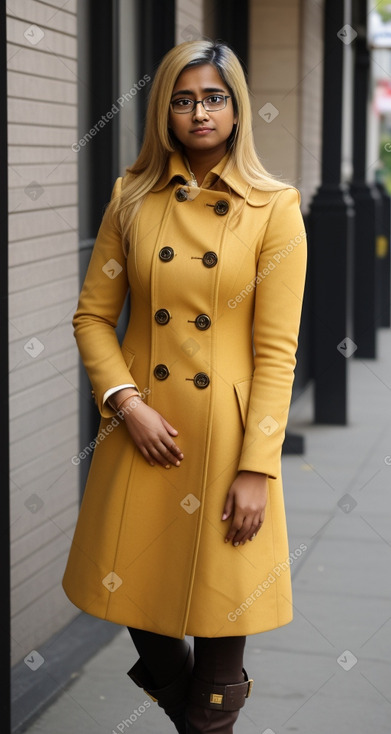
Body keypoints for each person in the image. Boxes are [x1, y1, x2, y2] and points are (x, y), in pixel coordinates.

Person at [62, 39, 307, 734]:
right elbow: (92, 316)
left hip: (228, 448)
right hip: (143, 441)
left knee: (220, 667)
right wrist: (125, 402)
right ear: (163, 110)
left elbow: (276, 350)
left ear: (236, 109)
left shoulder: (274, 206)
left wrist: (257, 468)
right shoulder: (130, 198)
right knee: (147, 629)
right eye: (182, 98)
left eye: (214, 97)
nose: (199, 112)